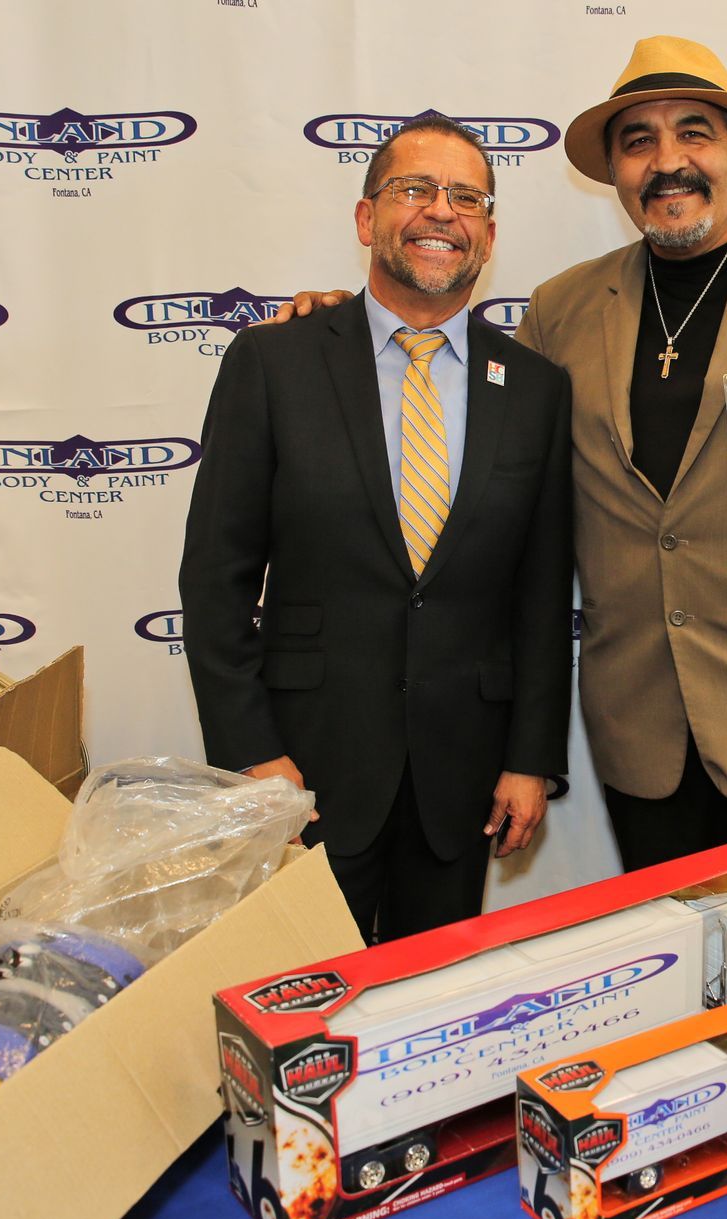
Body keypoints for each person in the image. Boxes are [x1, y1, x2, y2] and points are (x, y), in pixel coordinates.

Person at [273, 38, 727, 930]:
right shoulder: (562, 310)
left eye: (695, 134)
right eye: (638, 141)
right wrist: (342, 333)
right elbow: (461, 436)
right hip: (646, 725)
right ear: (614, 172)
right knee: (683, 995)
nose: (668, 160)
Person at [179, 115, 573, 943]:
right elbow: (215, 577)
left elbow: (539, 595)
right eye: (414, 190)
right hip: (304, 773)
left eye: (466, 197)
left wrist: (531, 757)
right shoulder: (272, 363)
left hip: (461, 783)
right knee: (304, 1012)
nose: (441, 211)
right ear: (367, 219)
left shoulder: (535, 389)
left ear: (489, 235)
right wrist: (254, 759)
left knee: (429, 1015)